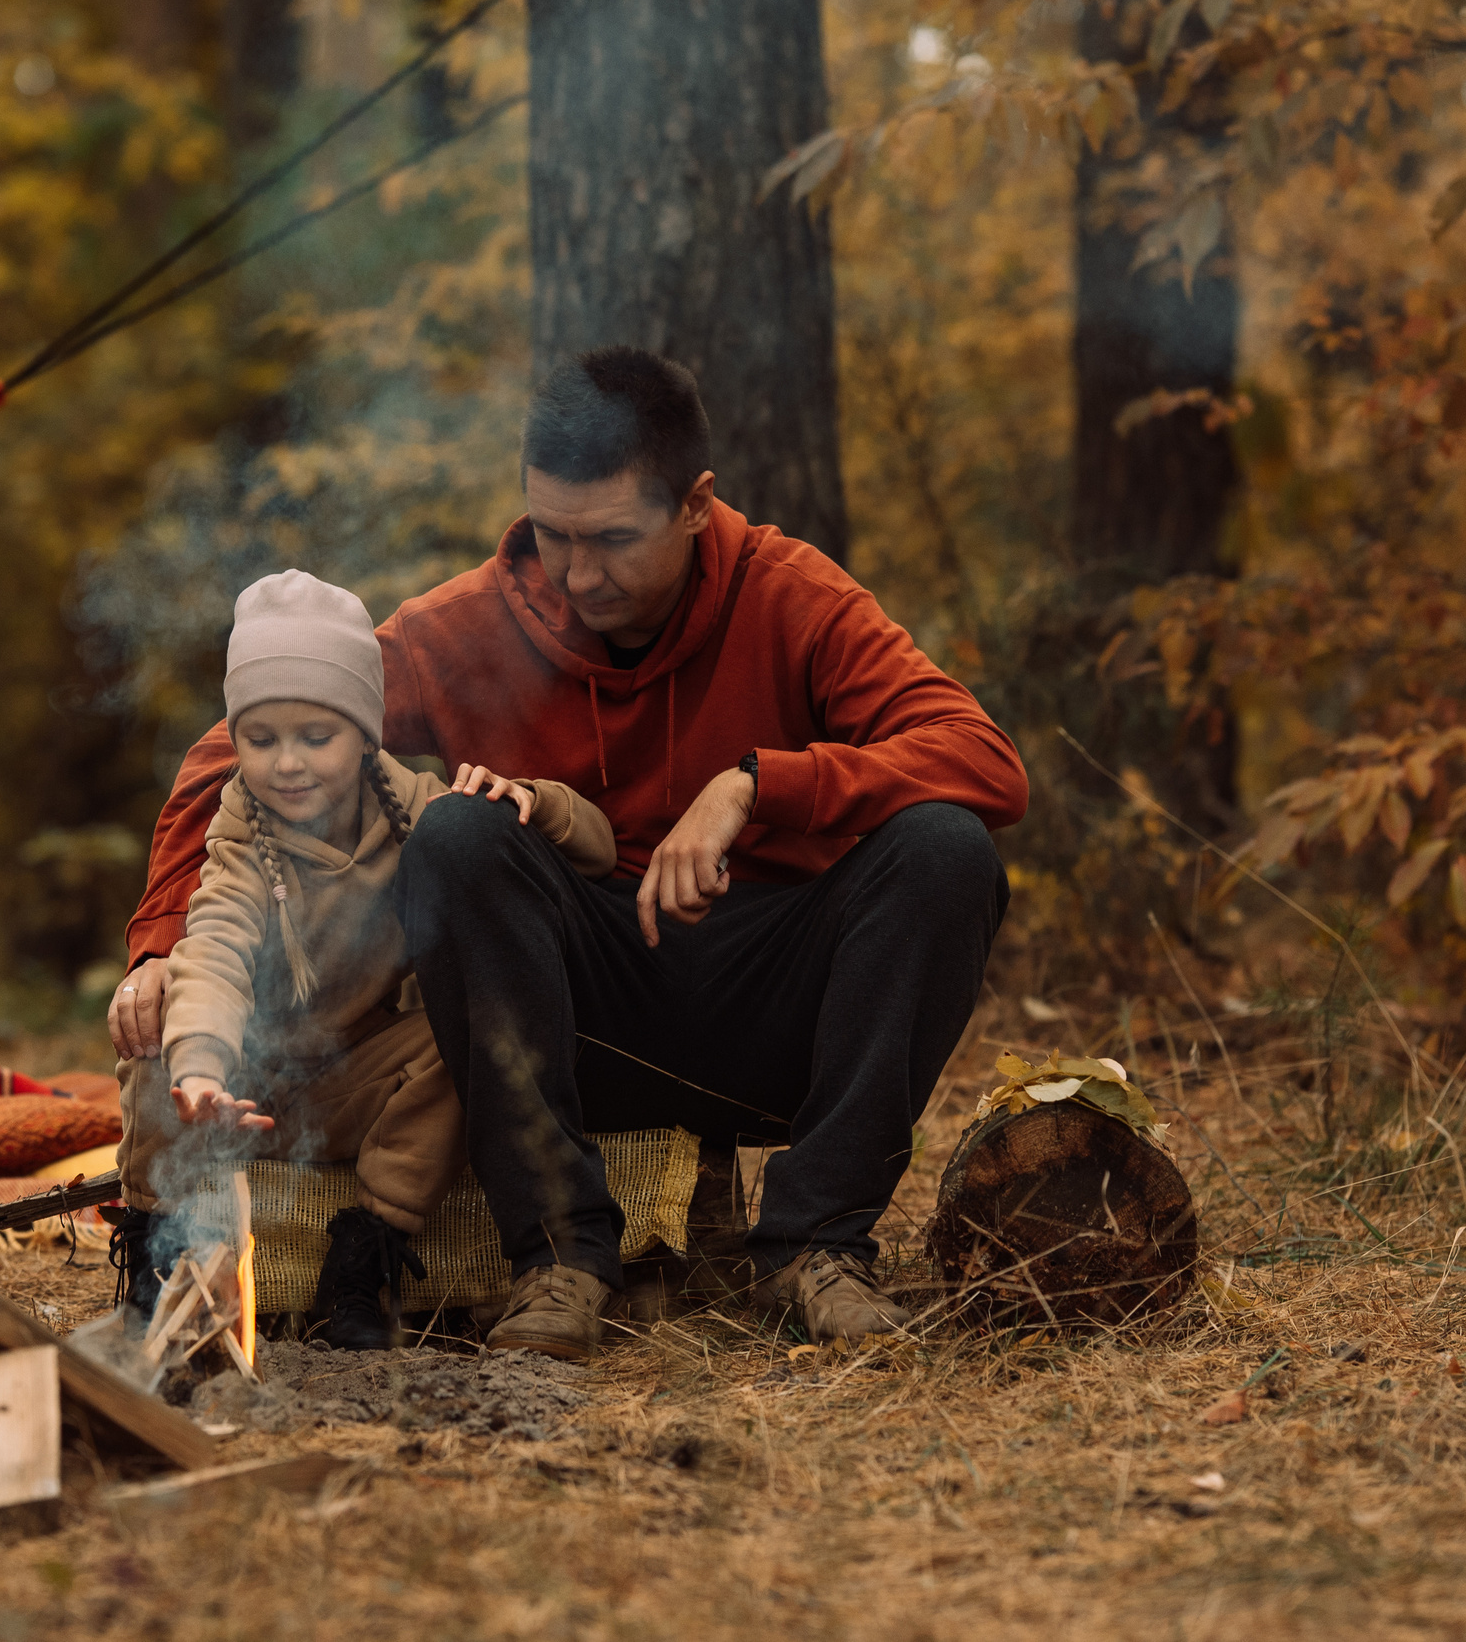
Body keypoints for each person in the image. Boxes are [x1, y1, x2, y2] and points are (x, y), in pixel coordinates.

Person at [112, 348, 1027, 1360]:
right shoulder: (471, 623)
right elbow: (229, 746)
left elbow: (983, 760)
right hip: (561, 1025)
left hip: (772, 1009)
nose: (578, 573)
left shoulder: (790, 594)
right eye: (553, 533)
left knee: (944, 845)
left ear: (694, 504)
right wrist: (159, 940)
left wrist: (757, 783)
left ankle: (817, 1242)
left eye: (612, 539)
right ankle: (559, 1254)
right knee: (460, 833)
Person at [111, 569, 616, 1349]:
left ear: (366, 731)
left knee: (460, 1043)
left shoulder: (413, 806)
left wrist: (536, 803)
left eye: (317, 737)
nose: (288, 763)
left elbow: (599, 846)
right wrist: (202, 1069)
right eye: (261, 738)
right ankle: (158, 1250)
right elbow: (212, 949)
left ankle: (364, 1256)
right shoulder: (241, 835)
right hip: (242, 1085)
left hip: (355, 1083)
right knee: (157, 1044)